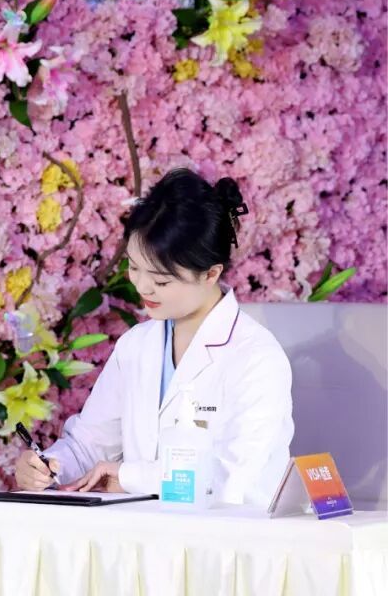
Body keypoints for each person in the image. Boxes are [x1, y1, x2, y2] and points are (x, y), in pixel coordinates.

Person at [15, 168, 294, 507]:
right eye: (134, 267)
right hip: (142, 530)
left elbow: (238, 481)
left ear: (211, 273)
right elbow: (89, 445)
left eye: (161, 281)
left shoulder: (256, 357)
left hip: (225, 534)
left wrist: (131, 478)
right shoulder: (136, 345)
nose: (143, 287)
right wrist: (47, 467)